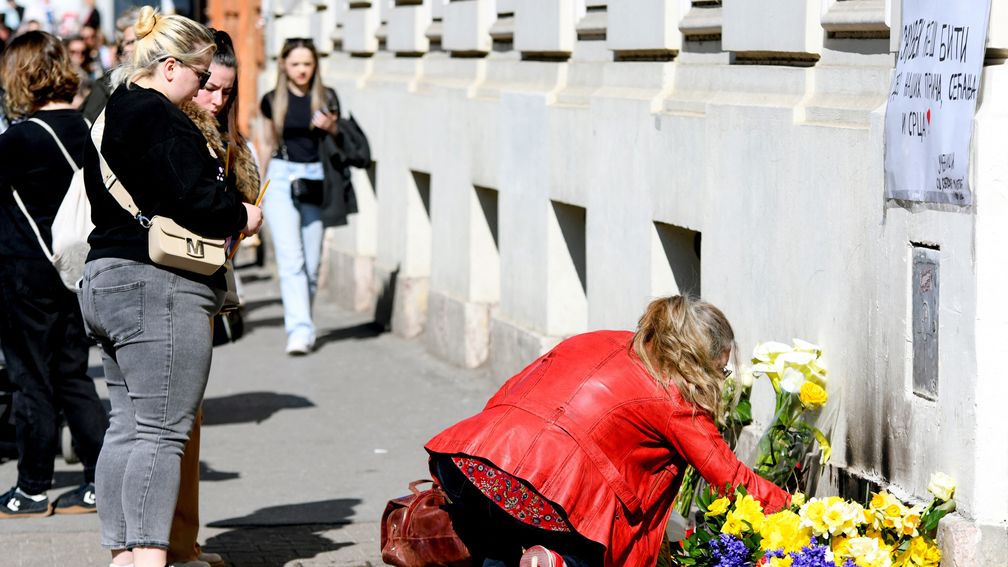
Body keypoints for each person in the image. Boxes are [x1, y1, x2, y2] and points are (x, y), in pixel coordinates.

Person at [77, 7, 262, 567]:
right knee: (162, 434)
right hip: (158, 287)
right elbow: (195, 199)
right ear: (171, 66)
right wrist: (240, 215)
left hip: (106, 278)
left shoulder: (111, 111)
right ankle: (150, 559)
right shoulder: (159, 115)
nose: (205, 84)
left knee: (127, 430)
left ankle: (124, 557)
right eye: (201, 73)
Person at [425, 295, 792, 567]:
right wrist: (804, 514)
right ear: (694, 359)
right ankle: (557, 562)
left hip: (469, 460)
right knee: (590, 552)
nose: (718, 379)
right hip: (541, 492)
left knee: (497, 542)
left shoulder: (597, 338)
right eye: (719, 369)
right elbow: (733, 480)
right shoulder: (674, 398)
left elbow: (513, 389)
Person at [0, 30, 108, 519]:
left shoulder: (17, 140)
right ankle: (98, 480)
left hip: (23, 274)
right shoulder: (88, 130)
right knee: (73, 377)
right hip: (77, 270)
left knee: (30, 380)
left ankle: (32, 487)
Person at [165, 28, 258, 567]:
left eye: (227, 91)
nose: (217, 101)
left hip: (199, 288)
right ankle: (171, 546)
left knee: (187, 425)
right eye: (210, 88)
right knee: (173, 427)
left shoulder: (220, 137)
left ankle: (182, 542)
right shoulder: (177, 132)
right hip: (174, 288)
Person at [256, 36, 340, 355]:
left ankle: (304, 319)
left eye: (307, 63)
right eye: (295, 64)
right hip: (279, 177)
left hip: (316, 178)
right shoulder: (271, 99)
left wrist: (332, 127)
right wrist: (258, 189)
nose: (302, 70)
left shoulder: (327, 97)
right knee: (291, 259)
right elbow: (265, 144)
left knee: (312, 263)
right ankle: (299, 330)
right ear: (283, 65)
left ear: (315, 65)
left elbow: (339, 143)